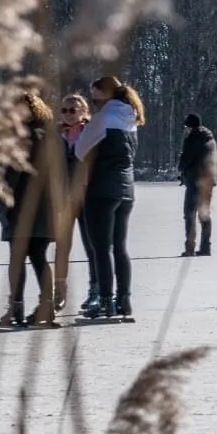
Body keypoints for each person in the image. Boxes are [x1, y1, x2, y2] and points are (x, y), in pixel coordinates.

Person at [75, 74, 142, 321]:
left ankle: (105, 301)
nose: (93, 102)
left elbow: (80, 150)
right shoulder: (131, 117)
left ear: (104, 95)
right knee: (120, 247)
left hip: (101, 189)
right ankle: (124, 300)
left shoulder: (102, 118)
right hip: (126, 189)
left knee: (101, 248)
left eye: (95, 97)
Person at [0, 94, 60, 327]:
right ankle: (47, 305)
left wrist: (5, 203)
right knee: (39, 257)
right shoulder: (51, 136)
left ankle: (15, 309)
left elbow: (13, 174)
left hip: (22, 205)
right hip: (47, 206)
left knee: (17, 258)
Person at [56, 94, 96, 312]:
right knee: (62, 246)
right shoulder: (56, 135)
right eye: (64, 110)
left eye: (72, 110)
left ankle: (95, 290)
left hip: (87, 195)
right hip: (64, 197)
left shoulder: (91, 131)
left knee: (92, 245)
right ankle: (59, 291)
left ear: (83, 110)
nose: (68, 114)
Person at [179, 113, 217, 256]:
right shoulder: (210, 138)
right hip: (208, 180)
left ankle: (190, 248)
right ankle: (206, 247)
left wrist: (181, 169)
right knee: (204, 214)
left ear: (190, 126)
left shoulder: (192, 138)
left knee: (189, 214)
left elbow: (186, 158)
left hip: (194, 179)